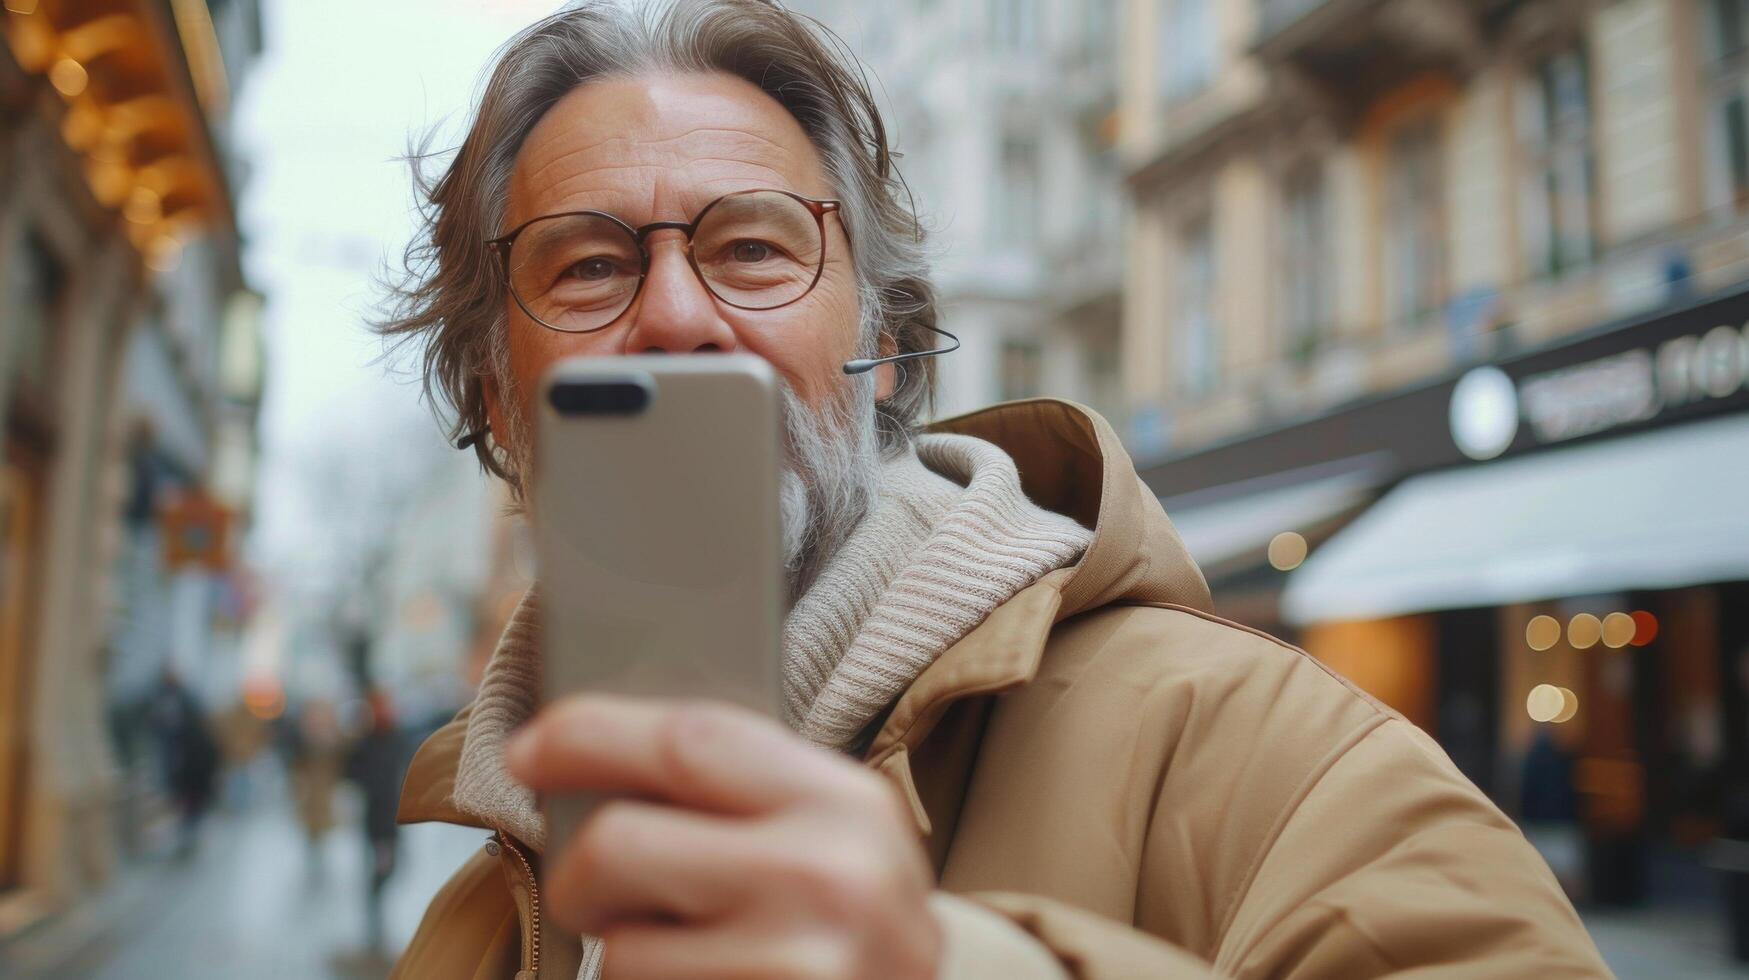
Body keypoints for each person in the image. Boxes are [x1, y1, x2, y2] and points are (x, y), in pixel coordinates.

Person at [380, 2, 1613, 977]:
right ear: (499, 396)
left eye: (752, 247)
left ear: (886, 354)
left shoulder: (1263, 758)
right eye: (588, 266)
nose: (677, 314)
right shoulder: (476, 919)